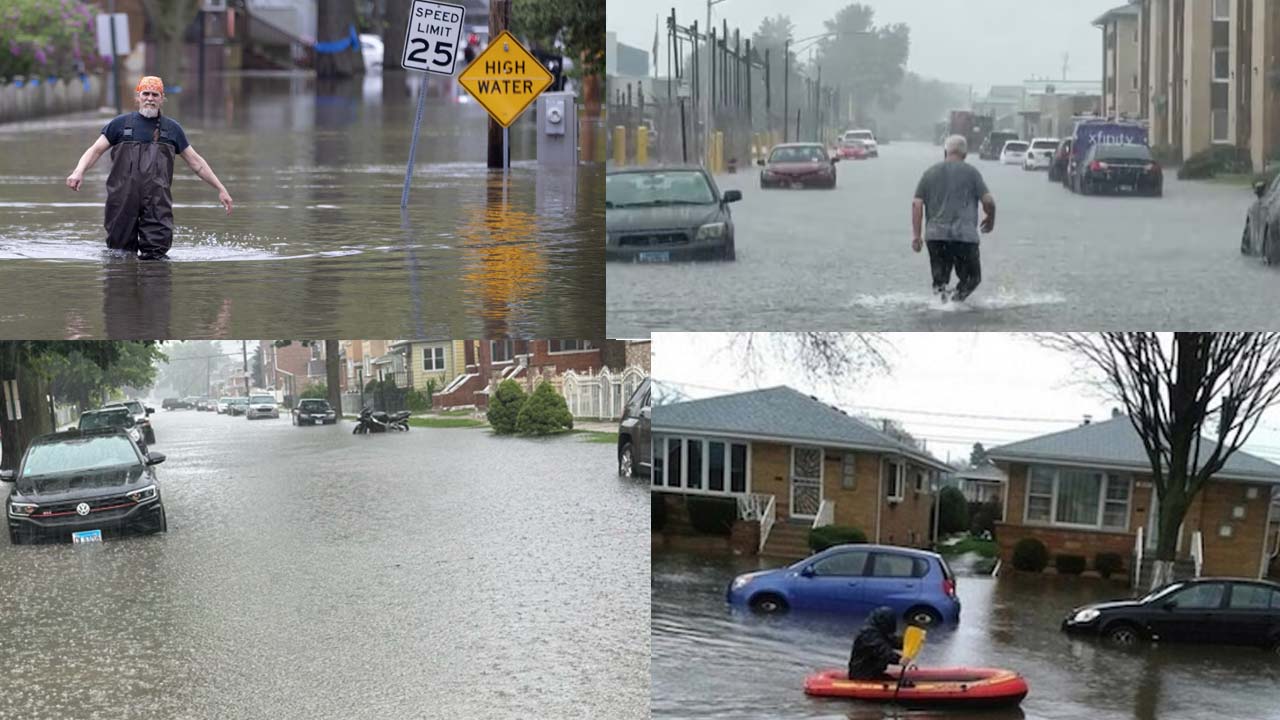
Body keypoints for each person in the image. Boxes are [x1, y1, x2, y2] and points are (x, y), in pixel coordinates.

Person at [65, 75, 233, 260]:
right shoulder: (120, 125)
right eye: (146, 94)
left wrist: (220, 188)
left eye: (155, 95)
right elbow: (95, 150)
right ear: (138, 96)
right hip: (122, 200)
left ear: (162, 99)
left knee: (157, 256)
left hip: (157, 202)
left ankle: (153, 284)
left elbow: (197, 163)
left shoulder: (172, 130)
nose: (150, 99)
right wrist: (78, 171)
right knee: (119, 255)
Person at [911, 134, 996, 302]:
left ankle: (942, 306)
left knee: (939, 281)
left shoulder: (929, 173)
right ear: (965, 154)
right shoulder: (972, 173)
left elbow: (917, 204)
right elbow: (989, 201)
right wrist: (990, 219)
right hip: (964, 237)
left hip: (936, 237)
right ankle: (956, 302)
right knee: (972, 278)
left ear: (946, 151)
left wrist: (916, 236)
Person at [847, 607, 909, 681]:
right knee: (901, 683)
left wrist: (909, 642)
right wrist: (899, 659)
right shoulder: (868, 635)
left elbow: (893, 641)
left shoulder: (880, 631)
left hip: (874, 672)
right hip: (864, 675)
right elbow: (882, 651)